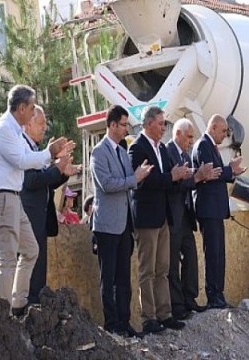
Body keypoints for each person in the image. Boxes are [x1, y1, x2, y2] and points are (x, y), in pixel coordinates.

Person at [0, 84, 74, 316]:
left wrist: (52, 159)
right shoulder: (4, 129)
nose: (34, 113)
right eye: (32, 108)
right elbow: (23, 162)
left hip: (12, 199)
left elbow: (29, 159)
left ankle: (18, 303)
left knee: (31, 250)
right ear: (21, 108)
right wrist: (51, 154)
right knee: (7, 261)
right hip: (1, 198)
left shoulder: (14, 131)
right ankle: (2, 315)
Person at [128, 106, 192, 334]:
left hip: (163, 216)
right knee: (147, 270)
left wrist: (179, 175)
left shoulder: (161, 148)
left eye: (165, 124)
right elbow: (144, 180)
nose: (164, 128)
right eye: (161, 123)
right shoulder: (137, 147)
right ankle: (149, 317)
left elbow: (167, 176)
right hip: (146, 217)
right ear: (148, 124)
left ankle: (165, 314)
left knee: (163, 267)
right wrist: (171, 177)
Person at [90, 105, 152, 337]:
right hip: (107, 226)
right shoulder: (98, 152)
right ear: (113, 125)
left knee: (124, 277)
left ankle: (125, 323)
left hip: (125, 224)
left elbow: (129, 182)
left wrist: (140, 176)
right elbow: (107, 184)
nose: (127, 129)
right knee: (109, 278)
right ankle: (112, 324)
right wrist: (133, 178)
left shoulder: (121, 150)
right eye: (124, 124)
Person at [21, 105, 79, 305]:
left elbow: (44, 183)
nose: (45, 127)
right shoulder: (23, 146)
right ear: (28, 123)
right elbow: (29, 182)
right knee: (31, 276)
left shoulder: (34, 148)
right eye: (41, 122)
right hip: (29, 218)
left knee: (39, 275)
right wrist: (57, 168)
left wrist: (62, 172)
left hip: (40, 219)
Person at [166, 118, 220, 319]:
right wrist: (196, 177)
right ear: (178, 134)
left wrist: (200, 177)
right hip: (172, 217)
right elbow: (172, 184)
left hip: (186, 216)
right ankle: (177, 306)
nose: (191, 141)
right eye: (188, 136)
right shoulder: (167, 152)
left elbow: (189, 184)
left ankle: (190, 299)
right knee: (172, 264)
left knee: (190, 258)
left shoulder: (185, 156)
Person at [191, 114, 246, 309]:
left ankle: (218, 293)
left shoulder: (210, 145)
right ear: (213, 127)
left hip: (216, 209)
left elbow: (217, 173)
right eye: (223, 131)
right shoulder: (203, 145)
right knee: (212, 253)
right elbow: (211, 173)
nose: (225, 135)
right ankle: (213, 295)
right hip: (208, 209)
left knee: (219, 253)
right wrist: (230, 170)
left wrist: (230, 171)